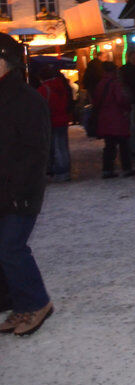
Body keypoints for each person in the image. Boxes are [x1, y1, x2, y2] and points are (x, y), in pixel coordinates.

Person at [0, 32, 55, 336]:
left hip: (19, 192)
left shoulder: (25, 99)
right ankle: (20, 307)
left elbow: (36, 151)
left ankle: (38, 303)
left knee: (11, 248)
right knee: (4, 250)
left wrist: (21, 191)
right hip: (3, 191)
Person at [93, 61, 135, 178]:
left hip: (105, 119)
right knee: (123, 145)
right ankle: (127, 168)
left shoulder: (100, 83)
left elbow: (95, 100)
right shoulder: (115, 84)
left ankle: (107, 169)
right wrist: (127, 107)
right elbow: (121, 99)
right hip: (117, 118)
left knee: (109, 146)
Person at [37, 64, 72, 182]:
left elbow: (40, 107)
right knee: (62, 146)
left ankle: (57, 170)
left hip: (51, 121)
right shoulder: (61, 86)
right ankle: (65, 170)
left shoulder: (43, 89)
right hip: (62, 119)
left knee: (53, 147)